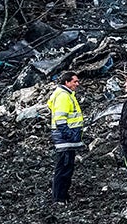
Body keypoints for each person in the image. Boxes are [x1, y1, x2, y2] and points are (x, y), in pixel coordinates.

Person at [47, 71, 84, 204]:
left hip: (68, 141)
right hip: (65, 140)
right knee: (63, 169)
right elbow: (60, 120)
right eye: (75, 81)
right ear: (66, 82)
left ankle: (62, 196)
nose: (77, 84)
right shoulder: (63, 96)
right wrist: (70, 135)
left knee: (66, 168)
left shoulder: (67, 95)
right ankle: (59, 198)